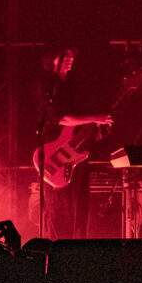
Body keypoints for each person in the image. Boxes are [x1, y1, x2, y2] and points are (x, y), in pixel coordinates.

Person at [35, 47, 112, 239]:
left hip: (75, 154)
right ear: (52, 59)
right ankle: (57, 249)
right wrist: (96, 118)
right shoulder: (48, 85)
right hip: (55, 154)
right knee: (59, 214)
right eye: (64, 56)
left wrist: (97, 127)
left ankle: (76, 248)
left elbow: (78, 120)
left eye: (71, 56)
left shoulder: (72, 85)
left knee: (79, 212)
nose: (69, 59)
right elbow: (62, 119)